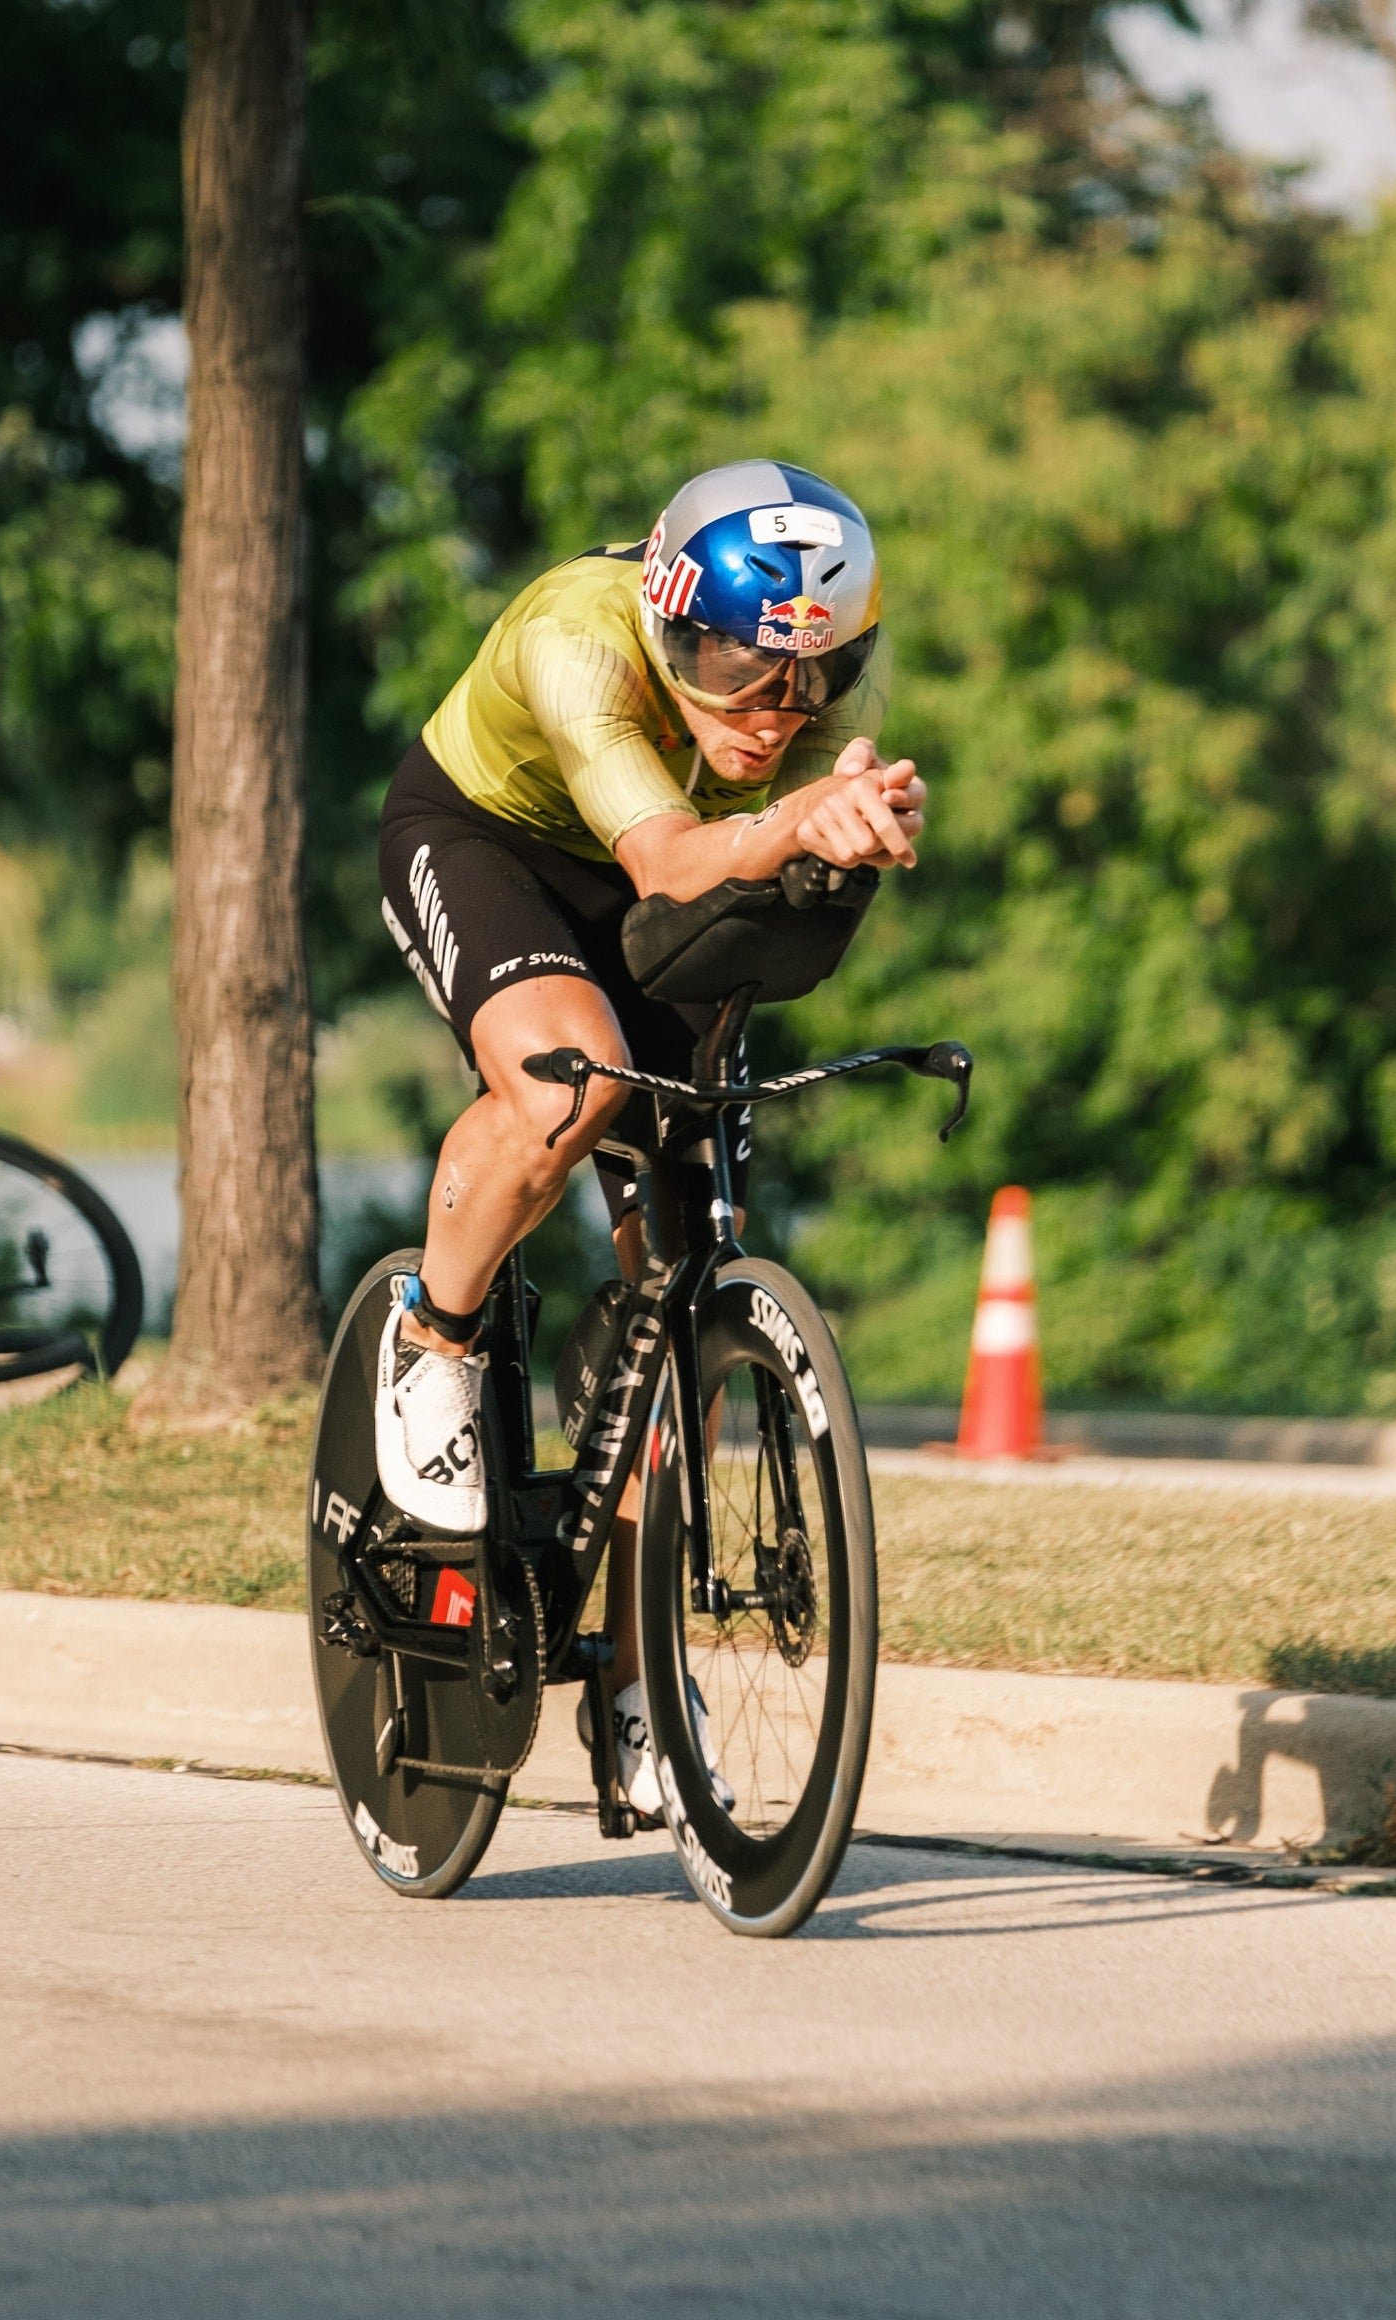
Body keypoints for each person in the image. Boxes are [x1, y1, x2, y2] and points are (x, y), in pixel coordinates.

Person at [376, 458, 923, 1813]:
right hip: (493, 843)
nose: (776, 710)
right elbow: (678, 860)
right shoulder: (580, 641)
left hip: (666, 873)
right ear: (674, 626)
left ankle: (636, 1675)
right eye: (741, 673)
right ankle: (430, 1341)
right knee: (576, 1086)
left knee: (685, 1263)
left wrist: (856, 816)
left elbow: (749, 842)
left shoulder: (786, 680)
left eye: (816, 682)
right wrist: (793, 813)